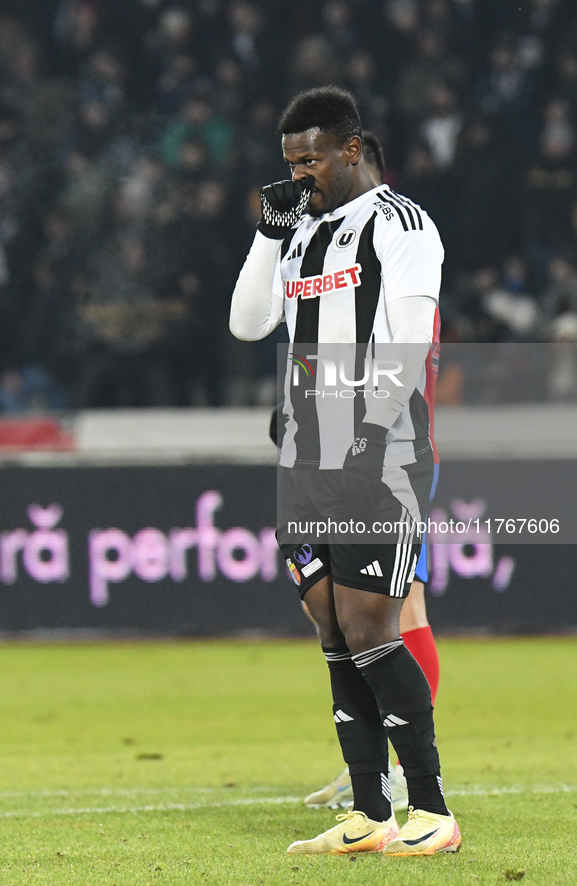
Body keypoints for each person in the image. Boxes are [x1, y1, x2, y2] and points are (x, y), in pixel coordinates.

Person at [230, 87, 460, 857]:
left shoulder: (399, 224)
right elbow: (248, 322)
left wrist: (371, 428)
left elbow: (403, 336)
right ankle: (368, 814)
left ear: (351, 149)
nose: (300, 176)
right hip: (305, 456)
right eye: (289, 163)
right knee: (330, 626)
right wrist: (269, 235)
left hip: (377, 452)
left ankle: (429, 809)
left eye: (312, 160)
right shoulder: (301, 236)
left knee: (373, 626)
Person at [302, 131, 441, 814]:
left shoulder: (400, 251)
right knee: (359, 619)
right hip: (350, 451)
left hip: (392, 458)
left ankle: (401, 773)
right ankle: (373, 778)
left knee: (396, 613)